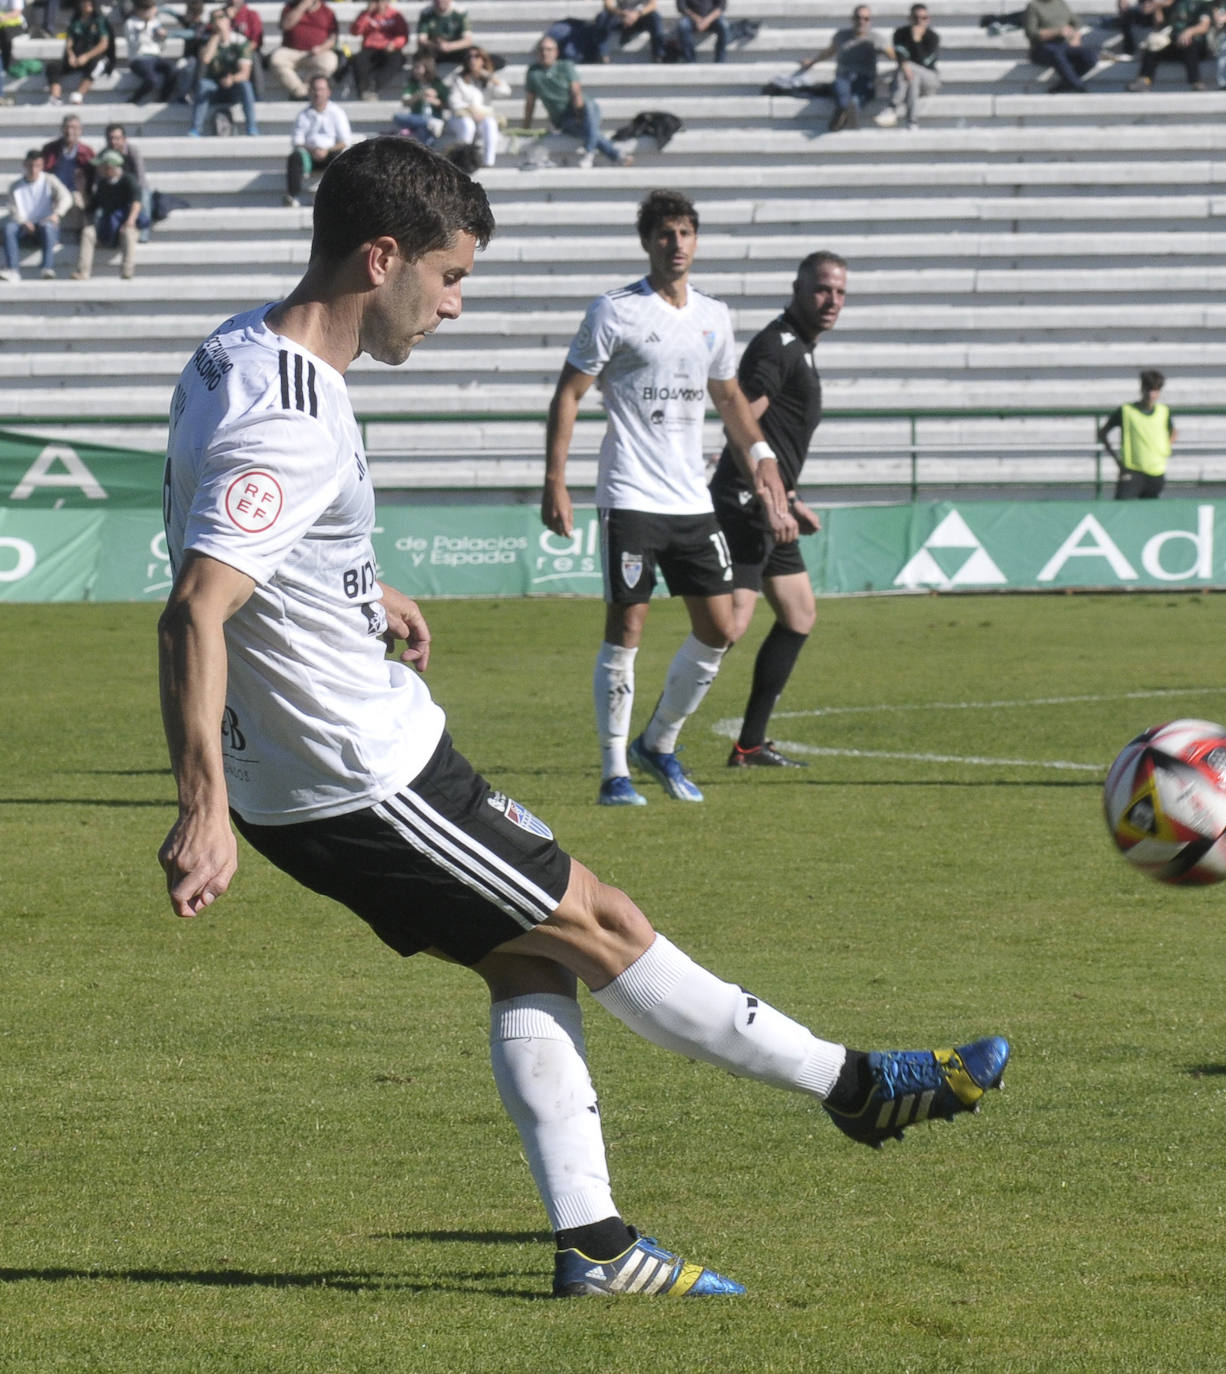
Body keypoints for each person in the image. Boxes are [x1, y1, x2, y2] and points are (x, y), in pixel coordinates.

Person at [156, 138, 1010, 1296]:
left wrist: (362, 589)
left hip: (348, 755)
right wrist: (200, 806)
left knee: (531, 962)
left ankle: (597, 1247)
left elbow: (252, 546)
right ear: (383, 256)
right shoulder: (294, 415)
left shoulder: (231, 353)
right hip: (357, 778)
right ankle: (857, 1087)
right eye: (451, 279)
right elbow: (198, 610)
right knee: (602, 921)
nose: (455, 307)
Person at [542, 190, 797, 807]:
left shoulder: (713, 315)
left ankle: (658, 743)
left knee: (720, 628)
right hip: (630, 494)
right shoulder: (615, 312)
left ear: (696, 241)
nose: (676, 243)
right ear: (647, 242)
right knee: (628, 623)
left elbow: (731, 399)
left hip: (691, 502)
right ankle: (613, 774)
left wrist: (763, 463)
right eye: (664, 233)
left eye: (685, 232)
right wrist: (556, 480)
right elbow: (569, 394)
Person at [710, 253, 847, 770]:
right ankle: (658, 738)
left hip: (772, 505)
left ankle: (749, 744)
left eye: (839, 292)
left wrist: (788, 499)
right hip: (748, 505)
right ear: (797, 289)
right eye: (821, 290)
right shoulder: (779, 346)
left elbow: (774, 441)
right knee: (728, 628)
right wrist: (770, 500)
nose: (831, 300)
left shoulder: (800, 349)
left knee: (799, 613)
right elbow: (740, 427)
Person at [523, 34, 630, 170]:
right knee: (590, 130)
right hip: (563, 119)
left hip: (580, 110)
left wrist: (579, 113)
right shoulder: (533, 73)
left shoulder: (565, 66)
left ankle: (589, 152)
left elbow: (576, 91)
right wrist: (526, 127)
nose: (545, 53)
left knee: (590, 105)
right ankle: (613, 155)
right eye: (542, 49)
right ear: (537, 52)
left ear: (556, 52)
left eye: (549, 49)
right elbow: (530, 102)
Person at [796, 6, 893, 131]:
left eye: (865, 18)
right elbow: (828, 52)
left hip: (864, 79)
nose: (861, 21)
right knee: (842, 92)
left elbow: (894, 56)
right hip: (844, 77)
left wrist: (886, 50)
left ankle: (842, 118)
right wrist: (812, 62)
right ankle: (844, 113)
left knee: (856, 98)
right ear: (852, 19)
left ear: (870, 21)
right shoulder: (841, 36)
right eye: (858, 18)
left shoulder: (876, 38)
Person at [1098, 369, 1176, 499]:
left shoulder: (1163, 411)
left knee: (1149, 514)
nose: (1152, 395)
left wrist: (1165, 449)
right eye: (1149, 390)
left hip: (1156, 472)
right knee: (1123, 510)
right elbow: (1102, 433)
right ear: (1142, 389)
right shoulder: (1126, 411)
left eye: (1156, 391)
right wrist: (1117, 459)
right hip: (1132, 471)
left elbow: (1173, 431)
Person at [2, 148, 72, 281]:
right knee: (9, 228)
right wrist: (22, 222)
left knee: (48, 227)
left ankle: (47, 268)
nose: (33, 169)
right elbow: (12, 209)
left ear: (42, 165)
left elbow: (66, 197)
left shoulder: (50, 180)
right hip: (23, 227)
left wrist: (57, 214)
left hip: (44, 226)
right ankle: (12, 269)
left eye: (37, 166)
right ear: (25, 165)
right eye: (30, 165)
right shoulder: (15, 186)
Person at [188, 6, 260, 136]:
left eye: (221, 17)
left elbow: (245, 73)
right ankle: (195, 129)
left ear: (228, 20)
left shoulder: (240, 41)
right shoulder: (206, 41)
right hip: (214, 86)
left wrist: (232, 79)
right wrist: (216, 36)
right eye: (214, 19)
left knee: (246, 85)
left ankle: (251, 127)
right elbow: (206, 59)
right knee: (203, 85)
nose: (218, 21)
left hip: (233, 86)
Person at [71, 147, 140, 280]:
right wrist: (81, 189)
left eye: (101, 166)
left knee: (129, 232)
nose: (99, 169)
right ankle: (83, 272)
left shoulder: (128, 180)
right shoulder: (103, 184)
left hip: (125, 223)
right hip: (108, 226)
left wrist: (130, 221)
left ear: (110, 167)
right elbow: (91, 207)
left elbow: (136, 202)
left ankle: (127, 271)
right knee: (88, 232)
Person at [284, 72, 350, 206]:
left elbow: (344, 141)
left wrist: (326, 150)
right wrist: (314, 150)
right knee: (294, 157)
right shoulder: (303, 115)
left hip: (330, 153)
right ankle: (293, 196)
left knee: (340, 158)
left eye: (321, 89)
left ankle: (335, 198)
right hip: (309, 154)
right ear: (309, 91)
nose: (317, 93)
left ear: (328, 92)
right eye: (314, 89)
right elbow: (297, 141)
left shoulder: (337, 113)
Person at [874, 3, 939, 128]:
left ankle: (892, 106)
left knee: (909, 69)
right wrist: (905, 65)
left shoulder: (933, 37)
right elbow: (899, 55)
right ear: (910, 18)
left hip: (929, 80)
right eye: (916, 18)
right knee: (912, 79)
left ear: (928, 19)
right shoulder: (900, 33)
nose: (919, 21)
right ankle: (912, 122)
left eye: (924, 18)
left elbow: (926, 63)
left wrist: (917, 41)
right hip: (909, 79)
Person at [1126, 0, 1211, 90]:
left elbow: (1204, 26)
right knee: (1152, 48)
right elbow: (1160, 24)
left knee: (1189, 46)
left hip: (1196, 46)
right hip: (1174, 43)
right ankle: (1144, 80)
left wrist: (1189, 32)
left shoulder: (1200, 4)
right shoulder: (1172, 4)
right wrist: (1157, 8)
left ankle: (1196, 82)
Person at [446, 46, 508, 167]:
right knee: (468, 125)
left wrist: (489, 76)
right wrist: (470, 110)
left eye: (477, 56)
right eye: (470, 57)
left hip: (482, 117)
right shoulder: (458, 78)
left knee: (490, 123)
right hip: (461, 116)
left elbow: (505, 91)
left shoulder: (488, 80)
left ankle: (488, 161)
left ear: (483, 60)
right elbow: (454, 102)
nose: (473, 60)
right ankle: (463, 160)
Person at [45, 0, 115, 105]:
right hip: (77, 57)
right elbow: (69, 42)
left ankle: (78, 95)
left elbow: (103, 44)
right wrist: (71, 56)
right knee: (53, 67)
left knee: (98, 64)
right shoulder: (75, 21)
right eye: (84, 2)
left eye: (90, 2)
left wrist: (86, 56)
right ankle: (56, 97)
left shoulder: (100, 21)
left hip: (93, 56)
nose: (87, 4)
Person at [268, 0, 338, 99]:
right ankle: (301, 93)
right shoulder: (289, 8)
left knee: (329, 62)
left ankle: (303, 90)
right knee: (276, 59)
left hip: (317, 53)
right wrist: (302, 6)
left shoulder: (327, 11)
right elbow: (285, 25)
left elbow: (333, 37)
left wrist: (322, 48)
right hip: (291, 50)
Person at [1022, 0, 1097, 92]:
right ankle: (1080, 87)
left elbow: (1076, 22)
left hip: (1063, 45)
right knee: (1057, 53)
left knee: (1089, 55)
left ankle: (1064, 85)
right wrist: (1056, 32)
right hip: (1042, 47)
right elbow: (1031, 33)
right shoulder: (1033, 6)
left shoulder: (1061, 3)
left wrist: (1075, 37)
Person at [40, 113, 94, 231]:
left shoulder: (86, 152)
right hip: (55, 191)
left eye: (74, 128)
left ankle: (81, 233)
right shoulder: (50, 149)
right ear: (61, 129)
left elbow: (92, 177)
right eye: (67, 127)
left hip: (76, 191)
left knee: (78, 202)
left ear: (80, 130)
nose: (70, 131)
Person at [346, 0, 408, 100]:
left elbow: (403, 36)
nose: (379, 4)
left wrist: (394, 44)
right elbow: (355, 31)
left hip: (389, 48)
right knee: (359, 60)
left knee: (398, 60)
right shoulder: (366, 15)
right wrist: (366, 13)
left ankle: (374, 85)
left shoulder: (395, 15)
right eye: (376, 1)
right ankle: (363, 90)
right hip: (370, 48)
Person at [123, 0, 179, 103]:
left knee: (173, 69)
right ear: (139, 10)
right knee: (152, 79)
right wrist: (143, 30)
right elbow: (132, 44)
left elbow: (161, 46)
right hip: (139, 59)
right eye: (148, 10)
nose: (152, 12)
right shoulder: (130, 23)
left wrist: (162, 37)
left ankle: (163, 98)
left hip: (155, 57)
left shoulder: (156, 22)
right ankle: (134, 98)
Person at [392, 53, 449, 146]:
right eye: (414, 68)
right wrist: (420, 94)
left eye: (418, 67)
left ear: (428, 68)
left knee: (422, 130)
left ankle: (427, 125)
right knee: (397, 117)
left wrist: (435, 101)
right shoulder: (412, 84)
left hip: (434, 116)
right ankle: (429, 123)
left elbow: (446, 104)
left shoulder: (437, 83)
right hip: (418, 117)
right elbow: (405, 102)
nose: (415, 71)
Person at [591, 0, 664, 63]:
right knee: (602, 16)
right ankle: (602, 56)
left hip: (641, 17)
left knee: (655, 17)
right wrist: (622, 13)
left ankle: (658, 55)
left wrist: (637, 14)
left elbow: (653, 5)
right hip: (620, 16)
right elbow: (608, 5)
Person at [414, 0, 473, 71]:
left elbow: (468, 40)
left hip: (456, 49)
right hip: (435, 49)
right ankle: (426, 79)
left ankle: (468, 78)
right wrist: (436, 45)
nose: (440, 1)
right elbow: (421, 39)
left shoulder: (460, 12)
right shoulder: (426, 13)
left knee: (472, 54)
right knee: (421, 54)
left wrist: (449, 46)